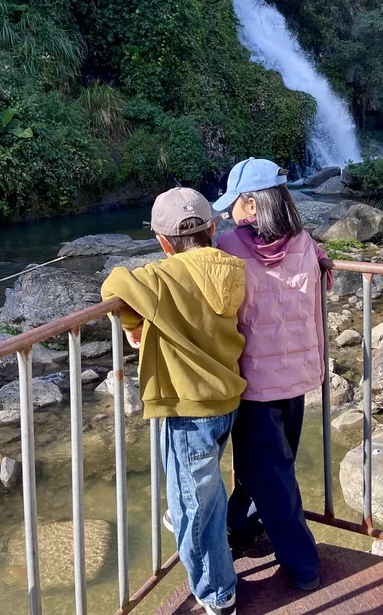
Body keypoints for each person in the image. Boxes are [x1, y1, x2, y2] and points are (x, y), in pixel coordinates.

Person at [101, 188, 246, 615]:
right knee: (204, 489)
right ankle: (187, 520)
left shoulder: (163, 279)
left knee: (194, 500)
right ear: (213, 229)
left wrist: (132, 326)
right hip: (226, 400)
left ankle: (217, 593)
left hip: (186, 408)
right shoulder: (233, 268)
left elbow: (115, 281)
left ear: (163, 243)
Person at [213, 158, 333, 591]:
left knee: (271, 476)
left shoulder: (227, 247)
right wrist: (322, 255)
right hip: (300, 379)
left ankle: (304, 566)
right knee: (265, 468)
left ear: (251, 203)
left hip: (255, 388)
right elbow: (314, 262)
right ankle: (238, 529)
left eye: (234, 204)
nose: (228, 213)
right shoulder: (303, 243)